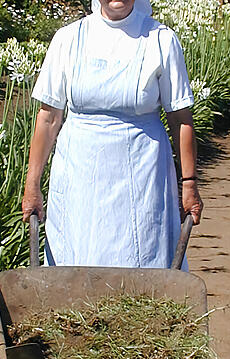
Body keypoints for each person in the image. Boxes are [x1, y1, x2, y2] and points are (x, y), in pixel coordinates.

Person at [21, 0, 203, 268]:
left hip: (142, 175)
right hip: (80, 178)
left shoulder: (161, 40)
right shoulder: (68, 39)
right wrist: (32, 184)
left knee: (140, 258)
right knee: (76, 256)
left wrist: (189, 183)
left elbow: (180, 119)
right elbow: (48, 118)